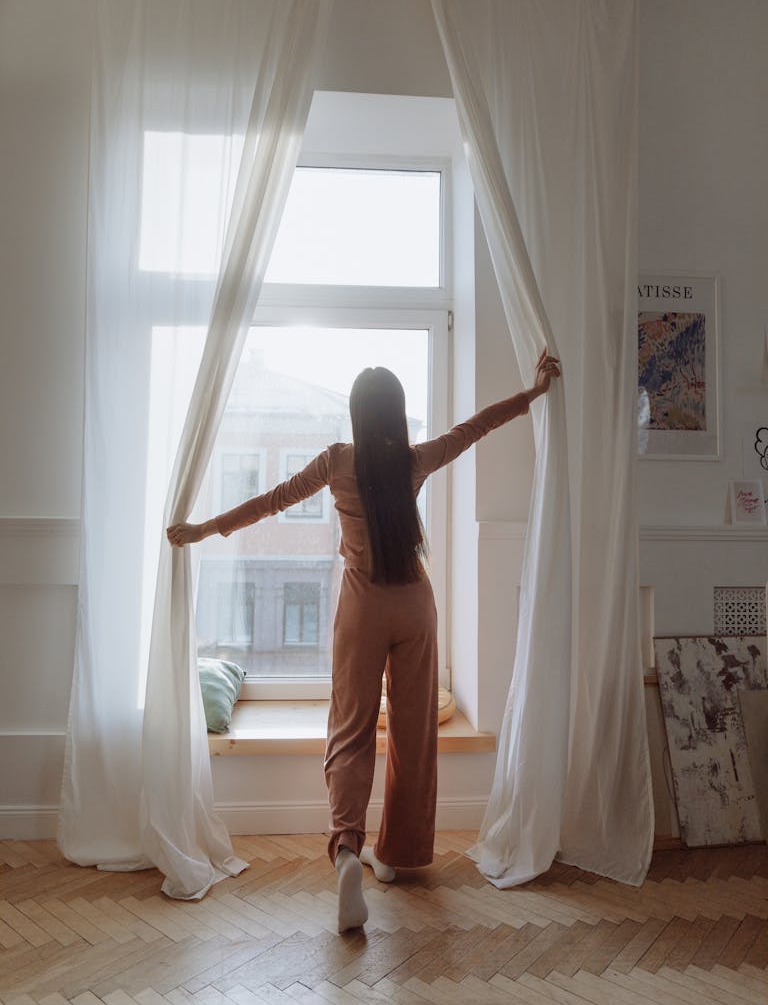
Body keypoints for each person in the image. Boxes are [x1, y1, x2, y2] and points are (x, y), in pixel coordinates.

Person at [168, 347, 560, 931]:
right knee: (411, 732)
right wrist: (532, 395)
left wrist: (204, 529)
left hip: (363, 607)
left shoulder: (337, 462)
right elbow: (473, 429)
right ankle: (396, 854)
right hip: (415, 606)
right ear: (398, 415)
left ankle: (349, 849)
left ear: (355, 414)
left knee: (350, 730)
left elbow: (271, 500)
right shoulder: (414, 459)